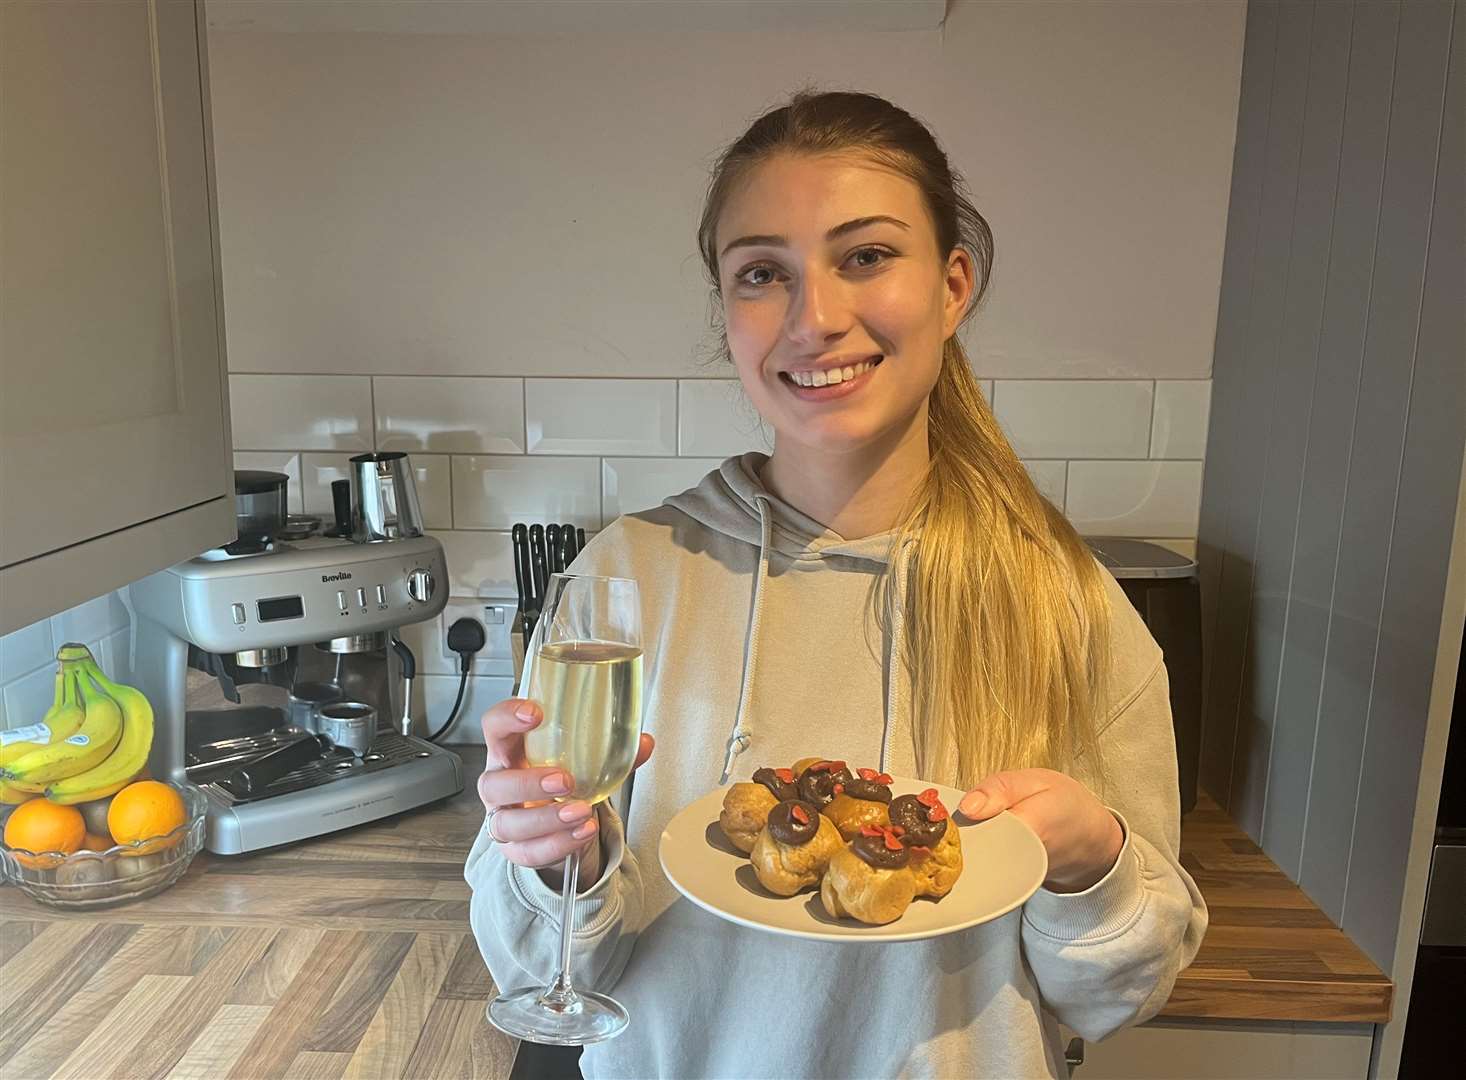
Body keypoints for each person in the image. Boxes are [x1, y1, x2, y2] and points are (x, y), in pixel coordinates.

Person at [466, 89, 1207, 1079]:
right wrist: (563, 864)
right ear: (727, 314)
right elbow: (533, 968)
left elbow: (1117, 996)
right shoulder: (623, 585)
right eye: (763, 273)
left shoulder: (1064, 605)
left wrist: (1091, 862)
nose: (815, 319)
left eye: (864, 256)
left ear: (951, 286)